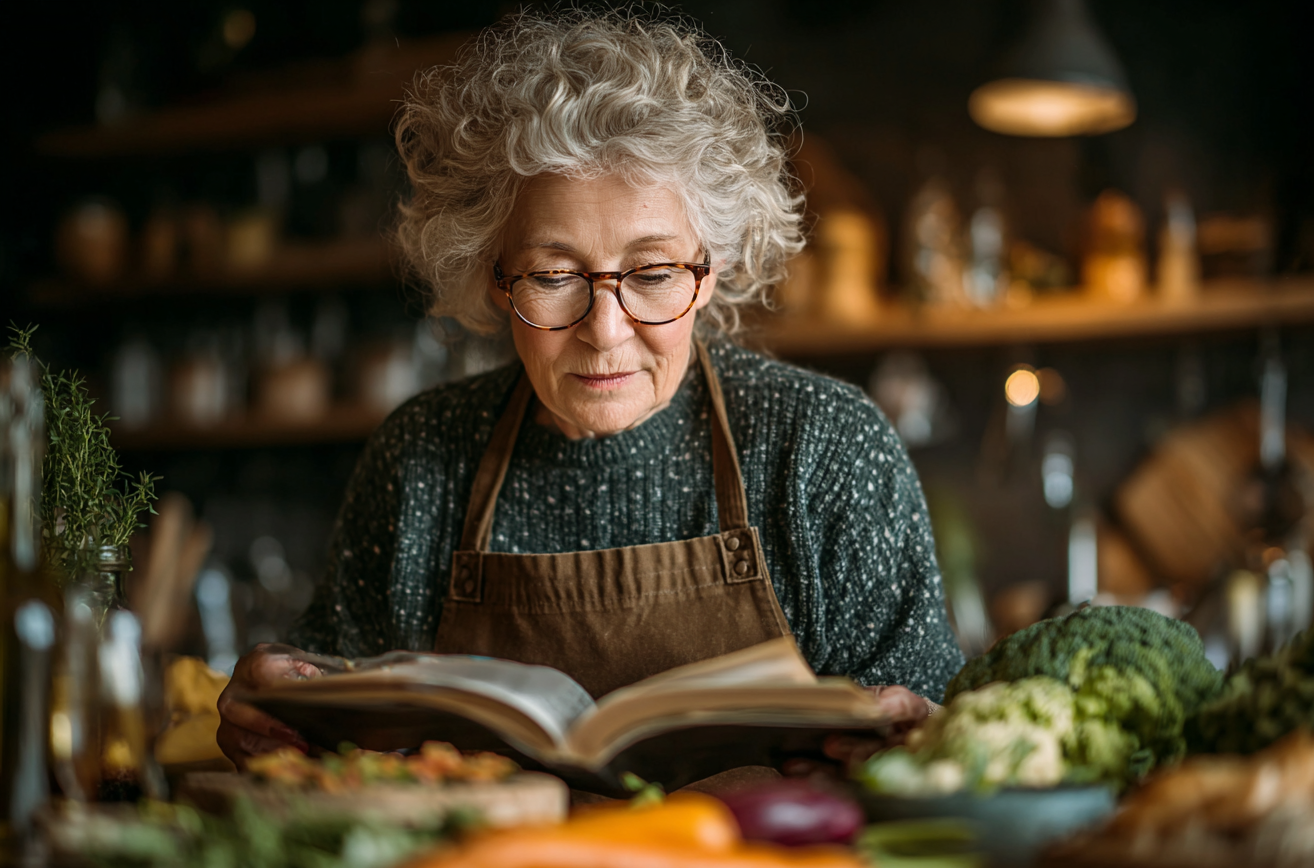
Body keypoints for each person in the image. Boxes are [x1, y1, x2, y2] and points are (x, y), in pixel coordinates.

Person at [217, 9, 964, 770]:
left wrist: (923, 733)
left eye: (653, 273)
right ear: (492, 274)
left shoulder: (825, 447)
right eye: (553, 276)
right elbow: (324, 733)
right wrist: (281, 712)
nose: (604, 330)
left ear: (712, 272)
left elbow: (931, 739)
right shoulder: (422, 459)